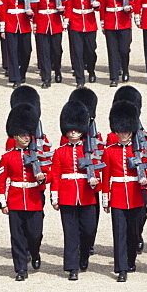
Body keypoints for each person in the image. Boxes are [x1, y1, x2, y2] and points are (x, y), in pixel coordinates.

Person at [0, 103, 48, 281]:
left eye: (28, 135)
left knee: (35, 234)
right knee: (17, 236)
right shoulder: (8, 156)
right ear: (15, 136)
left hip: (34, 198)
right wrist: (2, 202)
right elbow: (1, 180)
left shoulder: (39, 155)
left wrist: (43, 177)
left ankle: (34, 252)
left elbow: (50, 173)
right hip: (16, 199)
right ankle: (20, 268)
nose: (26, 138)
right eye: (23, 135)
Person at [51, 100, 101, 281]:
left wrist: (96, 183)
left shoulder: (90, 151)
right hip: (67, 196)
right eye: (70, 129)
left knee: (88, 230)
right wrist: (54, 197)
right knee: (70, 232)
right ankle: (72, 267)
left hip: (86, 194)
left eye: (76, 129)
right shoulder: (59, 152)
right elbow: (55, 175)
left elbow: (98, 174)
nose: (73, 132)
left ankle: (85, 254)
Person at [100, 100, 146, 280]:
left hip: (135, 194)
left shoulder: (139, 150)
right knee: (119, 232)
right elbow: (106, 176)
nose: (124, 134)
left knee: (134, 232)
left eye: (126, 131)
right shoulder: (110, 151)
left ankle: (131, 259)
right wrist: (106, 198)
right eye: (121, 131)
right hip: (118, 194)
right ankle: (121, 268)